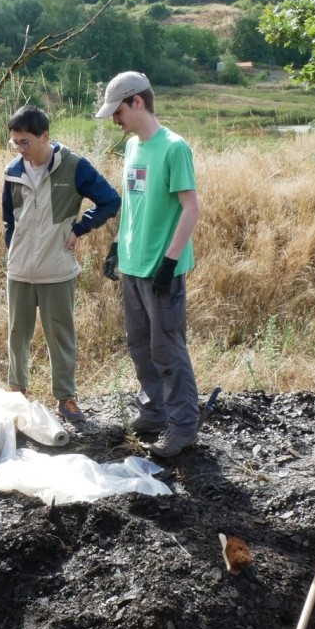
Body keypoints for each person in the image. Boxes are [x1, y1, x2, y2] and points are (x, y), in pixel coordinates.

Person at [95, 71, 202, 458]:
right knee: (141, 345)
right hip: (133, 265)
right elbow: (133, 205)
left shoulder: (174, 148)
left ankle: (184, 427)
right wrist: (116, 246)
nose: (115, 120)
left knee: (167, 349)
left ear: (137, 102)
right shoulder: (133, 149)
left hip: (162, 269)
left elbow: (191, 209)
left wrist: (169, 263)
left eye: (118, 111)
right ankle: (155, 411)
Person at [1, 104, 121, 425]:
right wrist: (13, 248)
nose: (19, 149)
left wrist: (80, 228)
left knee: (61, 335)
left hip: (56, 270)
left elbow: (110, 200)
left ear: (45, 137)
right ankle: (16, 394)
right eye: (15, 142)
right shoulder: (13, 170)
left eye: (25, 142)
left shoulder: (74, 167)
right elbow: (8, 219)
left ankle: (66, 398)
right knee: (17, 335)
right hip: (20, 271)